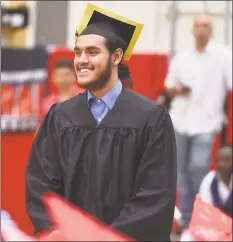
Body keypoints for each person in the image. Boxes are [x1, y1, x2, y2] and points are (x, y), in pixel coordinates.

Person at [26, 3, 177, 241]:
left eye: (92, 52)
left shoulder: (150, 118)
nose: (81, 60)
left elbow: (155, 192)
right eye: (77, 52)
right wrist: (56, 229)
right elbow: (41, 182)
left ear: (116, 56)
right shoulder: (60, 117)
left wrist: (106, 236)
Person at [164, 13, 232, 229]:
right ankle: (186, 219)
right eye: (198, 26)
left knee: (199, 166)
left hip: (207, 120)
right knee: (180, 172)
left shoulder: (223, 55)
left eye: (206, 26)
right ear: (192, 30)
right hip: (180, 119)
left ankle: (202, 212)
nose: (201, 29)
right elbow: (168, 86)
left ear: (211, 30)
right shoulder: (182, 56)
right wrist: (178, 90)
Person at [37, 59, 85, 126]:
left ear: (75, 75)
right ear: (53, 77)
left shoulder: (86, 98)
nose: (62, 78)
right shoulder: (47, 103)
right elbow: (41, 129)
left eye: (66, 74)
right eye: (58, 75)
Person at [199, 145, 232, 218]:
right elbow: (205, 208)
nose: (222, 163)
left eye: (227, 160)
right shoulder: (209, 180)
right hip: (214, 224)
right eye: (219, 160)